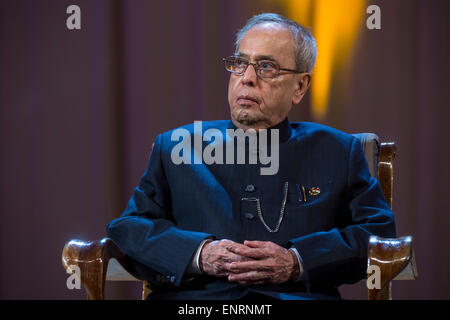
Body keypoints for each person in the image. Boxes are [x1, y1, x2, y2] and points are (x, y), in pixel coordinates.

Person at [106, 13, 395, 300]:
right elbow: (131, 228)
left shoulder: (337, 151)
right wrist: (198, 253)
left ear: (300, 87)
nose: (247, 79)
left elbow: (378, 234)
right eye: (240, 63)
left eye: (266, 67)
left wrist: (297, 261)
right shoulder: (177, 147)